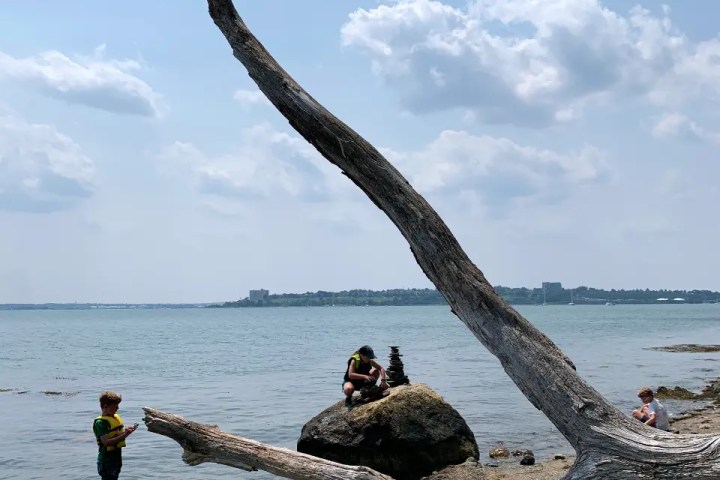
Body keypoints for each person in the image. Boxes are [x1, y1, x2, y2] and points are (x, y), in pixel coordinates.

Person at [93, 391, 138, 479]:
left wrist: (127, 432)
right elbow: (106, 443)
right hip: (106, 461)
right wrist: (126, 434)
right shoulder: (101, 423)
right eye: (115, 406)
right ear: (105, 406)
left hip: (116, 458)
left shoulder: (113, 418)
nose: (117, 408)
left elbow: (117, 436)